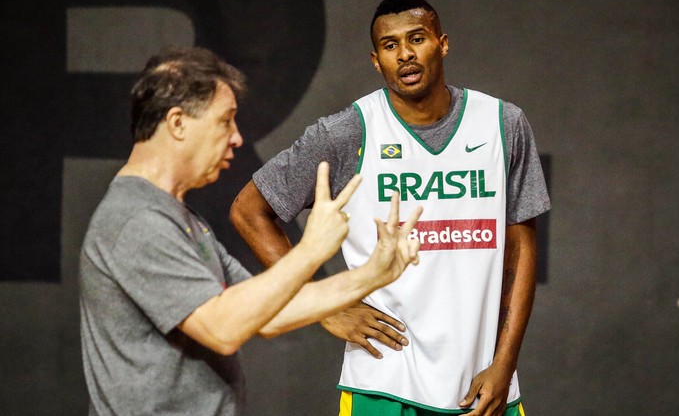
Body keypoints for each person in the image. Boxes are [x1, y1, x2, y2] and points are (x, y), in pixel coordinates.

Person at [230, 0, 551, 416]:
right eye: (390, 45)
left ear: (443, 43)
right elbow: (249, 211)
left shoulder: (502, 123)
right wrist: (323, 305)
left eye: (416, 39)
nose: (405, 55)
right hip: (382, 382)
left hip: (485, 384)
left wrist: (505, 364)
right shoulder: (347, 132)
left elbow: (521, 245)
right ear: (375, 60)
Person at [79, 45, 423, 416]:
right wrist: (310, 251)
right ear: (177, 123)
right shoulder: (137, 220)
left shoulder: (178, 217)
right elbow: (223, 328)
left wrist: (372, 275)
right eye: (225, 121)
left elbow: (271, 313)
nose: (237, 138)